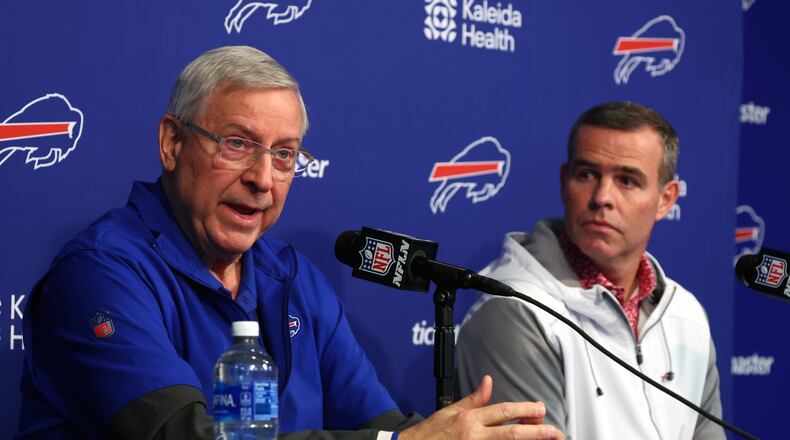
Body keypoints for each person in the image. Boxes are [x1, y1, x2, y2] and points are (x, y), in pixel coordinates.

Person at [15, 46, 563, 440]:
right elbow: (184, 434)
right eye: (237, 144)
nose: (263, 178)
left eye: (284, 155)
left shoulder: (294, 279)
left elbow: (380, 425)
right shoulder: (99, 274)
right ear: (172, 143)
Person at [456, 102, 724, 439]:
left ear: (666, 199)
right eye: (586, 175)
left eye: (627, 180)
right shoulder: (515, 309)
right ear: (563, 181)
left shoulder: (687, 315)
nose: (601, 197)